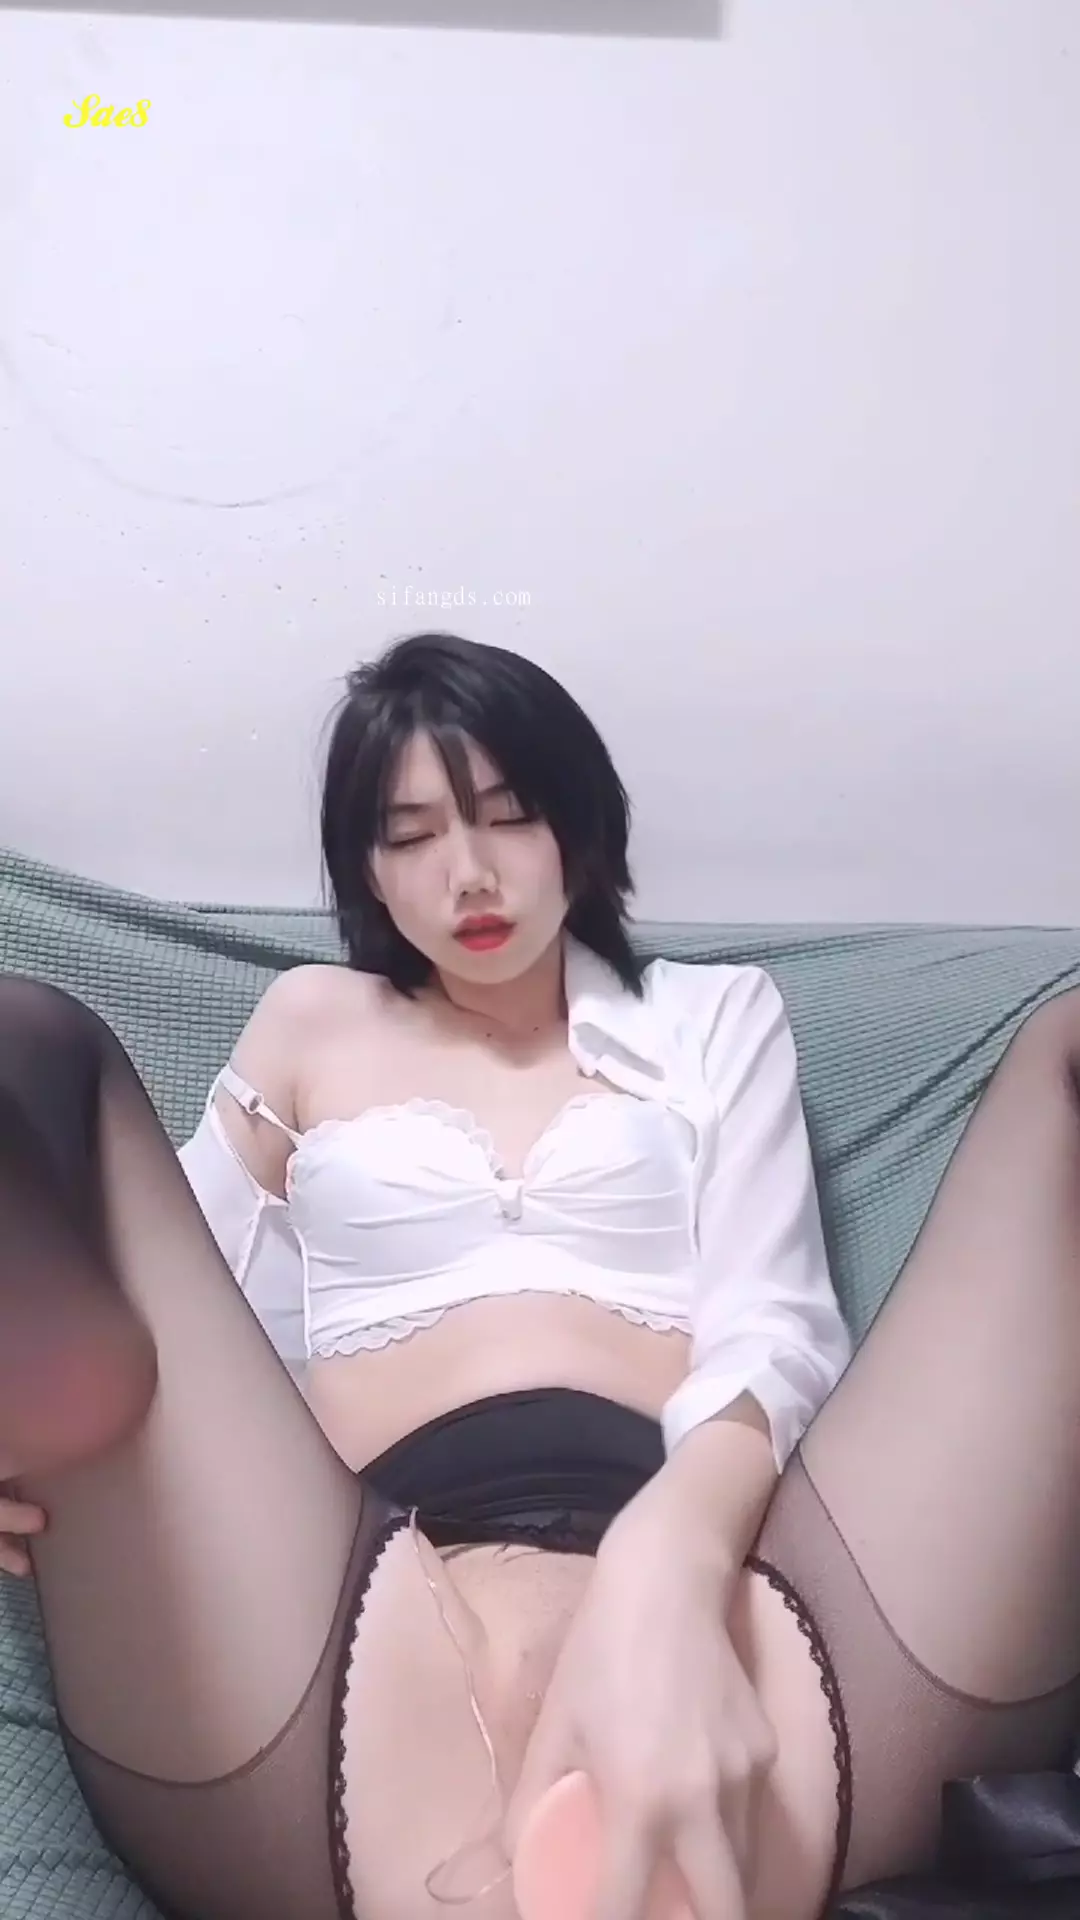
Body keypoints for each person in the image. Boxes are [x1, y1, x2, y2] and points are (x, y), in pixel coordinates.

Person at [2, 631, 1080, 1920]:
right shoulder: (308, 1024)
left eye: (509, 814)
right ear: (365, 870)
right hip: (358, 1632)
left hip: (732, 1598)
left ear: (580, 823)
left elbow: (772, 1322)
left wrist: (667, 1564)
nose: (468, 872)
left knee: (1066, 1055)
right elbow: (170, 1277)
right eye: (410, 836)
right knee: (35, 1047)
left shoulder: (712, 1017)